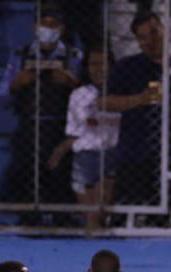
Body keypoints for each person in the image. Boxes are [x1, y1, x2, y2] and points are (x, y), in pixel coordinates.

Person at [0, 6, 82, 225]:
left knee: (60, 172)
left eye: (54, 25)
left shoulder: (73, 55)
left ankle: (62, 215)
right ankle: (28, 215)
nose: (48, 30)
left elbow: (87, 95)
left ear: (62, 29)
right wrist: (18, 83)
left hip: (60, 125)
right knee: (26, 168)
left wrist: (70, 82)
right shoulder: (20, 54)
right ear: (35, 27)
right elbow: (3, 96)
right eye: (44, 25)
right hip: (29, 123)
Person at [103, 12, 171, 222]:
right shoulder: (127, 67)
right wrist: (138, 99)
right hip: (135, 149)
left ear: (165, 31)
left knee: (159, 216)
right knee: (124, 212)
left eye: (154, 32)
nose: (150, 40)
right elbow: (105, 102)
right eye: (143, 36)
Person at [48, 47, 120, 233]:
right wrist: (61, 150)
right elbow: (82, 126)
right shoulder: (80, 94)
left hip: (112, 152)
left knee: (102, 208)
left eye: (102, 63)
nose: (98, 68)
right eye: (93, 64)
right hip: (87, 154)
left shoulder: (121, 92)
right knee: (91, 215)